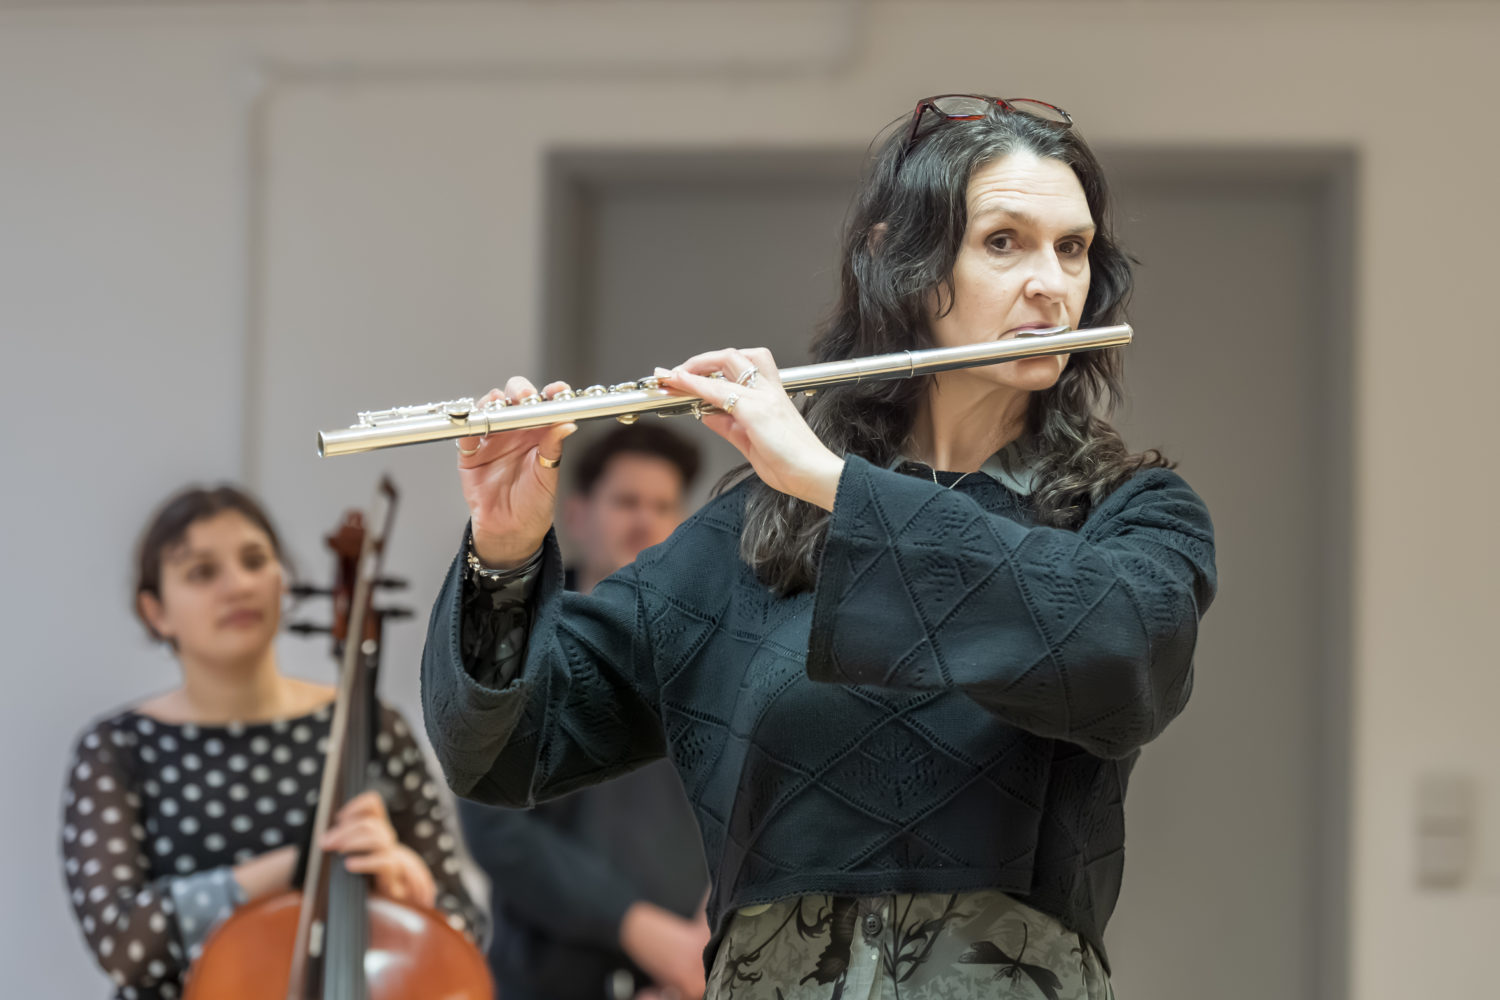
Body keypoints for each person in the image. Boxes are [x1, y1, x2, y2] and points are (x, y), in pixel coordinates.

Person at [423, 94, 1217, 999]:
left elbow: (1121, 652)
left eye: (1072, 248)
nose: (1051, 283)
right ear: (900, 261)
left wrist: (838, 486)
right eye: (1004, 242)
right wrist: (505, 547)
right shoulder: (751, 535)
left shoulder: (1132, 514)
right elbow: (504, 750)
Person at [61, 485, 485, 1000]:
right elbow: (123, 943)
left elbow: (465, 929)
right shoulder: (117, 749)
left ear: (283, 580)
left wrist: (412, 889)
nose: (239, 585)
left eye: (255, 561)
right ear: (156, 612)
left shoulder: (371, 725)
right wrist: (305, 864)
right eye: (202, 572)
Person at [457, 424, 712, 1000]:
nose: (645, 521)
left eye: (663, 506)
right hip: (547, 983)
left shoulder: (712, 650)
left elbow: (747, 800)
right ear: (576, 514)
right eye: (626, 502)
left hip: (687, 980)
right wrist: (641, 931)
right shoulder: (516, 643)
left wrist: (704, 942)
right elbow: (494, 825)